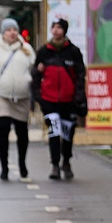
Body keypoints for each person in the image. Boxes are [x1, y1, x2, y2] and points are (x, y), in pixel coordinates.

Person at [0, 18, 37, 184]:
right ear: (3, 32)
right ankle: (3, 166)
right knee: (3, 129)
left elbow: (33, 68)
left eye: (14, 29)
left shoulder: (25, 49)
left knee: (22, 132)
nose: (12, 33)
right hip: (2, 96)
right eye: (8, 30)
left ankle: (22, 165)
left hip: (22, 98)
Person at [35, 16, 89, 181]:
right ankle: (55, 164)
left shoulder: (73, 51)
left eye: (59, 27)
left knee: (67, 133)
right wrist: (39, 97)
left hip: (68, 100)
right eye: (54, 27)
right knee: (53, 132)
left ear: (64, 30)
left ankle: (66, 160)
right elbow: (35, 76)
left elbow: (80, 75)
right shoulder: (44, 51)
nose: (56, 30)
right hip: (49, 100)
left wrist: (78, 96)